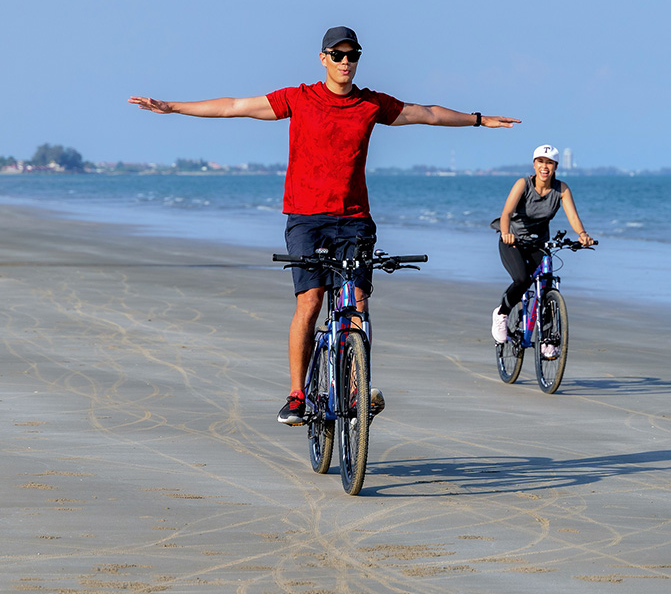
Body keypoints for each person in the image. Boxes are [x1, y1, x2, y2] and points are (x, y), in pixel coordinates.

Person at [129, 25, 520, 425]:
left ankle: (355, 387)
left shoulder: (371, 104)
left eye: (353, 55)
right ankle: (298, 394)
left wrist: (478, 119)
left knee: (357, 304)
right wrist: (173, 107)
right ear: (323, 59)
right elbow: (234, 106)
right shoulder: (299, 99)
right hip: (306, 219)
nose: (346, 62)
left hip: (354, 222)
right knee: (311, 301)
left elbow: (428, 114)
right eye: (338, 55)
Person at [491, 144, 593, 357]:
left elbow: (573, 216)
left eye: (549, 163)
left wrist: (582, 234)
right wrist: (505, 233)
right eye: (540, 162)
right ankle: (501, 314)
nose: (544, 167)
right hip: (513, 241)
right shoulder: (523, 184)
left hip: (539, 243)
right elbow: (507, 213)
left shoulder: (561, 189)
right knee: (522, 279)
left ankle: (547, 338)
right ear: (534, 164)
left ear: (556, 166)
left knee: (546, 285)